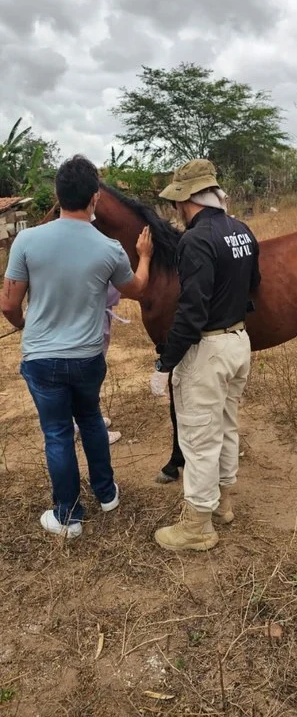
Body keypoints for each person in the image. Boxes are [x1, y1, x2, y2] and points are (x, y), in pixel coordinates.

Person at [0, 155, 153, 539]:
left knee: (57, 434)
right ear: (95, 198)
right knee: (91, 420)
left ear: (57, 194)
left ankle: (67, 516)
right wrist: (146, 257)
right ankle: (107, 493)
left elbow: (8, 304)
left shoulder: (27, 240)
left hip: (42, 360)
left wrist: (24, 326)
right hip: (87, 358)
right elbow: (138, 289)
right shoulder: (109, 248)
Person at [151, 159, 261, 552]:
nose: (176, 210)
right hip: (239, 342)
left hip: (209, 350)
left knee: (198, 437)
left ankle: (197, 525)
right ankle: (222, 504)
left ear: (186, 199)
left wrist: (165, 364)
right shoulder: (242, 230)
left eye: (176, 202)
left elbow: (191, 312)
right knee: (226, 426)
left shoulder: (195, 240)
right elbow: (254, 284)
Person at [73, 282, 125, 445]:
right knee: (89, 376)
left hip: (80, 320)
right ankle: (90, 426)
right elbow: (129, 287)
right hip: (91, 322)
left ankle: (78, 421)